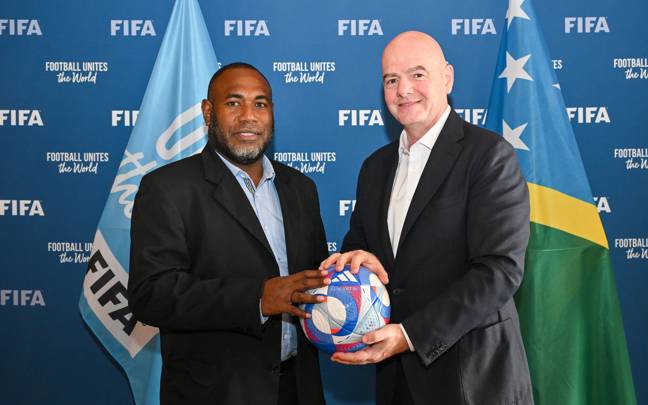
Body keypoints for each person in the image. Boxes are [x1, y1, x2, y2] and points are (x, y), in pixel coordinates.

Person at [321, 31, 534, 405]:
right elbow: (360, 246)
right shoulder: (374, 168)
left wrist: (409, 335)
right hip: (396, 383)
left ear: (447, 78)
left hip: (472, 380)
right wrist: (362, 262)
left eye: (418, 74)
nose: (404, 89)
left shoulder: (488, 155)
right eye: (391, 79)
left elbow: (499, 270)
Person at [128, 62, 328, 405]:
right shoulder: (168, 188)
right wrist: (258, 298)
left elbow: (317, 281)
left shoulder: (301, 188)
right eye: (234, 103)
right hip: (216, 394)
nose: (249, 116)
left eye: (260, 104)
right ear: (209, 112)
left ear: (272, 113)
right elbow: (152, 294)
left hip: (299, 389)